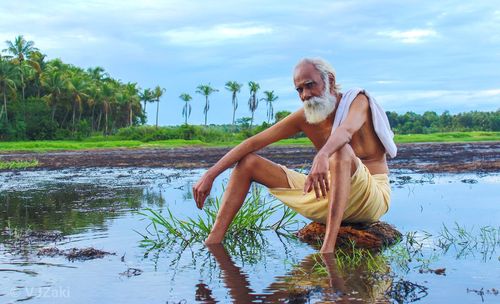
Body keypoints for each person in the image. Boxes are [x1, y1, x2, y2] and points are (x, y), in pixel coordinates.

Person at [193, 57, 396, 253]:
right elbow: (253, 142)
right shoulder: (305, 115)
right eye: (299, 89)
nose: (305, 95)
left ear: (330, 81)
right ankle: (213, 241)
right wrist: (210, 174)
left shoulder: (358, 101)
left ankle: (328, 250)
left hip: (370, 197)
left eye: (310, 85)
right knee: (248, 162)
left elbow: (346, 132)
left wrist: (323, 155)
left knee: (340, 148)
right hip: (330, 192)